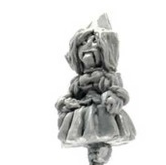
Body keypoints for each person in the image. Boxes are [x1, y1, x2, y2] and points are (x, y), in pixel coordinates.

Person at [55, 16, 135, 148]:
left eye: (94, 41)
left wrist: (113, 98)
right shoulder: (78, 80)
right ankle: (94, 150)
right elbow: (72, 94)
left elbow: (120, 92)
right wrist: (66, 102)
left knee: (102, 132)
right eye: (83, 42)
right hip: (81, 113)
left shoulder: (108, 77)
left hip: (102, 111)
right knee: (84, 132)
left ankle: (100, 151)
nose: (87, 45)